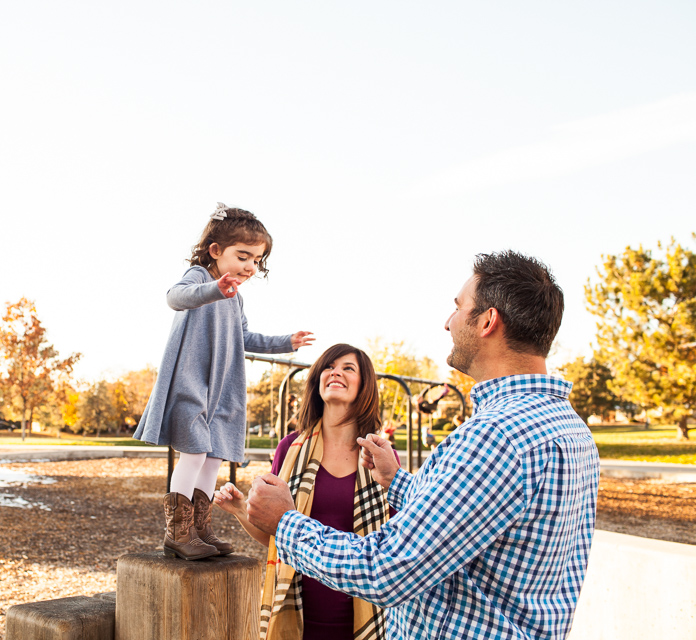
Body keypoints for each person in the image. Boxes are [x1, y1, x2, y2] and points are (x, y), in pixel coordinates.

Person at [246, 250, 600, 640]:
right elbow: (473, 511)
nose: (448, 323)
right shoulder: (572, 431)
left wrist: (286, 523)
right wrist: (398, 482)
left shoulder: (496, 437)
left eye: (458, 307)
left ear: (487, 321)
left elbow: (387, 570)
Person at [134, 203, 314, 561]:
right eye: (243, 256)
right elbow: (175, 298)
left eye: (256, 261)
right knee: (195, 452)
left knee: (214, 457)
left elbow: (244, 337)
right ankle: (177, 533)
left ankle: (200, 529)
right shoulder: (200, 278)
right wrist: (215, 288)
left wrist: (285, 342)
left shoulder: (237, 298)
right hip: (191, 383)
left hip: (221, 390)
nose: (250, 267)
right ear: (216, 251)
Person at [215, 344, 394, 640]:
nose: (336, 371)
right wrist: (240, 510)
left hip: (364, 619)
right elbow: (276, 535)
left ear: (364, 386)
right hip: (294, 616)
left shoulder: (379, 456)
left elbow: (394, 546)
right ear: (317, 380)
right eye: (329, 366)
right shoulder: (289, 449)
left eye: (348, 368)